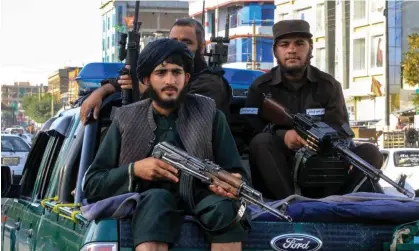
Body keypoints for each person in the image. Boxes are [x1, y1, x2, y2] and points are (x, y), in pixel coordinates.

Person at [82, 38, 250, 251]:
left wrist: (231, 184)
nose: (170, 80)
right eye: (161, 73)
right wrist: (136, 170)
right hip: (149, 204)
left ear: (187, 78)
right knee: (156, 201)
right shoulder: (126, 119)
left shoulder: (210, 115)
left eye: (177, 72)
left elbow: (235, 172)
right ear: (146, 79)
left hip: (203, 198)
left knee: (227, 210)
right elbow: (93, 183)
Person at [242, 20, 384, 200]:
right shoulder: (260, 87)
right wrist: (283, 135)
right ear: (275, 51)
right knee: (260, 142)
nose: (292, 50)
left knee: (371, 153)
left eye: (299, 44)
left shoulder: (328, 85)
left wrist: (319, 140)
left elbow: (341, 128)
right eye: (284, 45)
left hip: (324, 166)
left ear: (310, 49)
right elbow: (248, 131)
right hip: (279, 168)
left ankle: (337, 203)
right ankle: (293, 206)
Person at [80, 18, 232, 124]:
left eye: (186, 42)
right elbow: (130, 80)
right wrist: (103, 91)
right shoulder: (162, 73)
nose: (178, 48)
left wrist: (146, 90)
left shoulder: (210, 83)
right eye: (173, 42)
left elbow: (186, 119)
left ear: (202, 47)